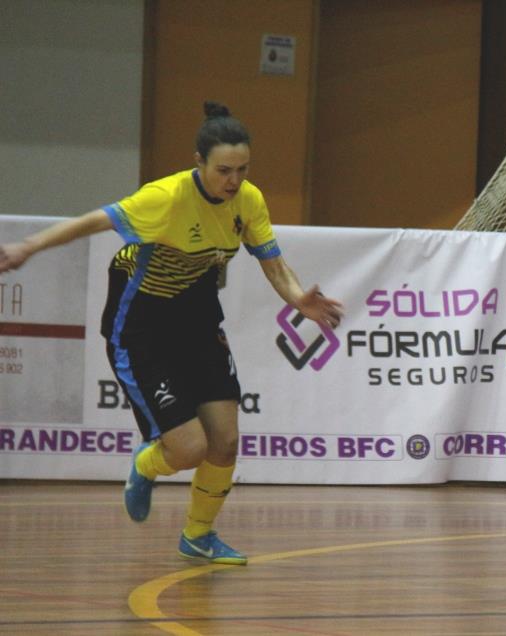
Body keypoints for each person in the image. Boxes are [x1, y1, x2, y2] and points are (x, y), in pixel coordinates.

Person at [0, 102, 342, 565]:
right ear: (198, 162)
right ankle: (146, 465)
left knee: (225, 441)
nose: (234, 180)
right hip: (143, 324)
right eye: (224, 170)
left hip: (197, 317)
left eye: (242, 169)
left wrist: (298, 298)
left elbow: (273, 263)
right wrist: (28, 247)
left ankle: (198, 536)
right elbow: (93, 221)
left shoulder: (249, 200)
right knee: (189, 448)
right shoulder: (165, 197)